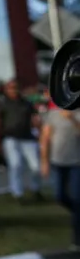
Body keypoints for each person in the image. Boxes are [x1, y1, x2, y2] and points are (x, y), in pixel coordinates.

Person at [39, 103, 80, 249]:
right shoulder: (53, 114)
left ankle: (76, 240)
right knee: (59, 196)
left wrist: (73, 120)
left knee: (76, 198)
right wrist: (44, 161)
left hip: (76, 162)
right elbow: (45, 138)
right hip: (57, 161)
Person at [0, 80, 42, 201]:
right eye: (10, 88)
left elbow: (34, 118)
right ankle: (17, 192)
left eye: (15, 87)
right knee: (16, 165)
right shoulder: (3, 104)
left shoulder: (26, 103)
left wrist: (39, 131)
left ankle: (35, 188)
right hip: (11, 137)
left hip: (27, 137)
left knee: (36, 166)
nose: (13, 90)